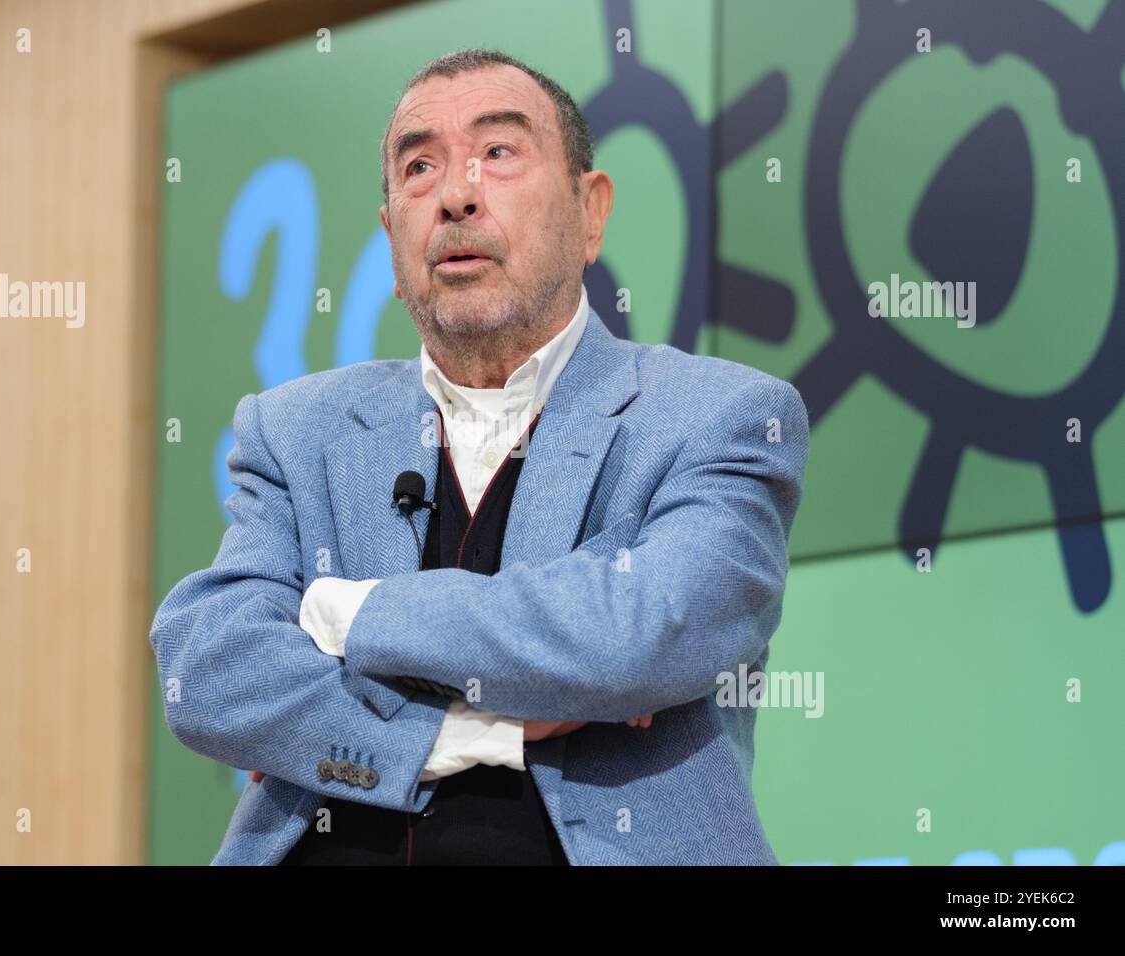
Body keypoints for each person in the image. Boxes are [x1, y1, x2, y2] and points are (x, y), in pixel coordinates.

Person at [150, 48, 808, 865]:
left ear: (590, 212)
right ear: (392, 238)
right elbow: (210, 665)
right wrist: (469, 732)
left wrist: (343, 615)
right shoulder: (297, 430)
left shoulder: (720, 419)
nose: (457, 195)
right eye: (420, 167)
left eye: (498, 153)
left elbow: (636, 631)